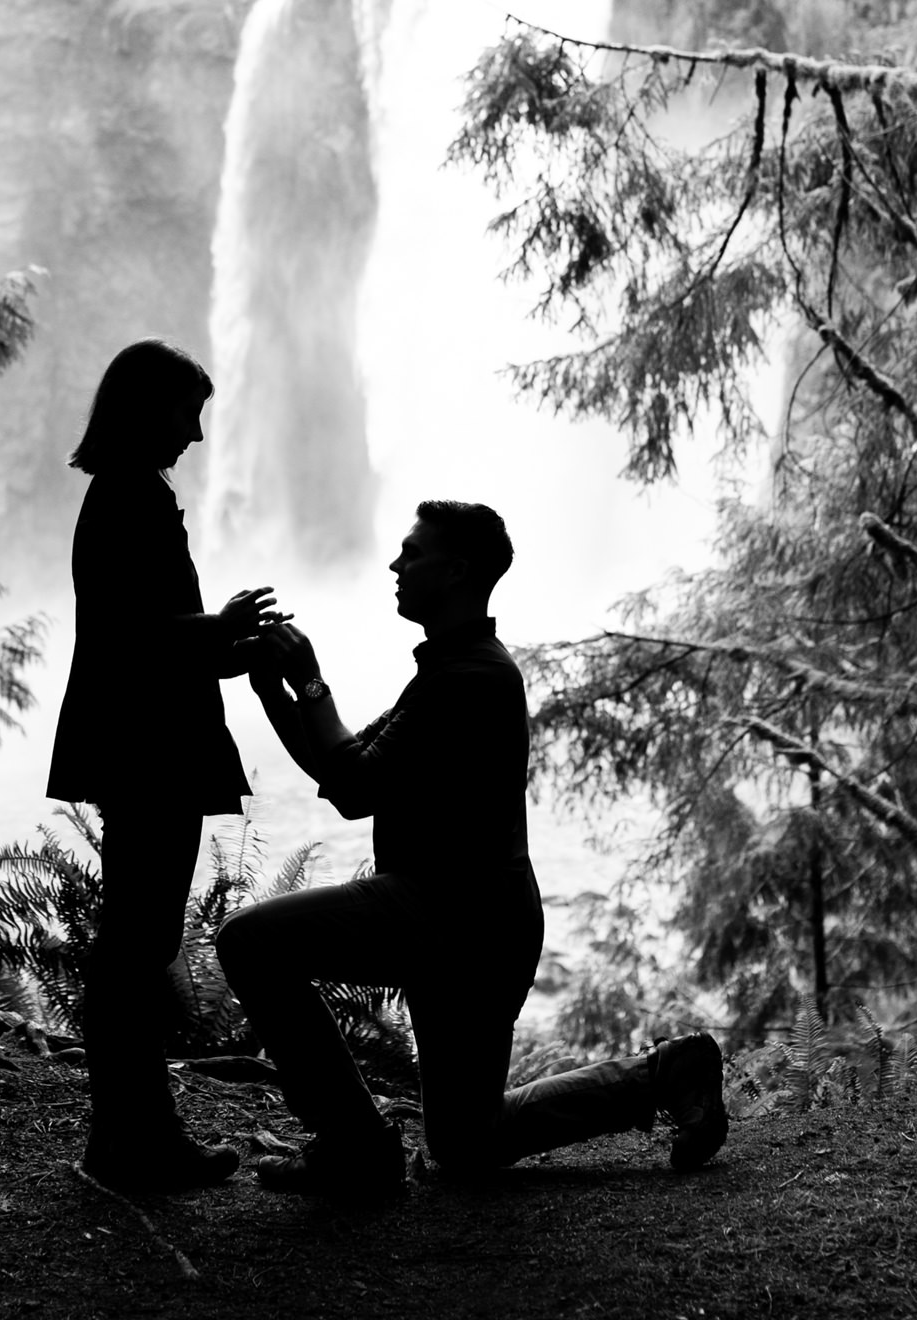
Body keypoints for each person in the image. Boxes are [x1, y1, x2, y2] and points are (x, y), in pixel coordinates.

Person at [216, 499, 728, 1197]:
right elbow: (342, 772)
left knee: (249, 941)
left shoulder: (473, 679)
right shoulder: (449, 671)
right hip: (472, 921)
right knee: (465, 1140)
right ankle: (668, 1073)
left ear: (456, 571)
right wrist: (271, 689)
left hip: (454, 916)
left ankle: (354, 1144)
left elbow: (356, 785)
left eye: (412, 553)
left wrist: (309, 680)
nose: (394, 565)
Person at [47, 337, 283, 1193]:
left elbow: (151, 638)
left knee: (137, 939)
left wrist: (233, 645)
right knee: (138, 943)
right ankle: (137, 1141)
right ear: (148, 410)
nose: (196, 433)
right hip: (147, 746)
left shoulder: (127, 491)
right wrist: (222, 628)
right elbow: (134, 635)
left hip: (139, 736)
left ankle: (127, 1136)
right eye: (188, 413)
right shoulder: (129, 495)